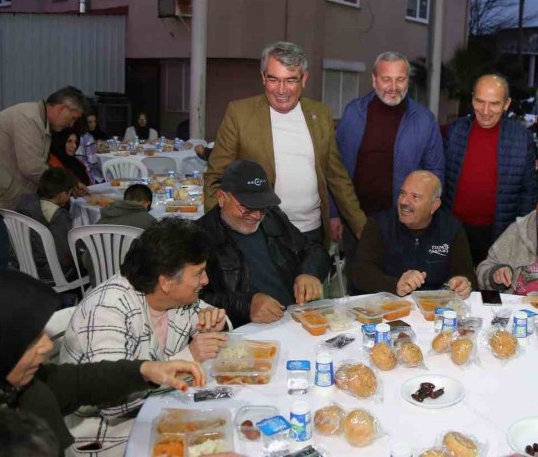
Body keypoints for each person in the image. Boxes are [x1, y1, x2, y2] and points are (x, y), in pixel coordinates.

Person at [0, 268, 206, 455]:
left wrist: (144, 369)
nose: (47, 346)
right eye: (30, 339)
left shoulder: (0, 383)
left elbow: (75, 381)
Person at [61, 219, 228, 454]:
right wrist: (188, 356)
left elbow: (211, 322)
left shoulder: (172, 298)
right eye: (199, 273)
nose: (206, 281)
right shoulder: (107, 312)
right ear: (166, 282)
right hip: (109, 436)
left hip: (161, 410)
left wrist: (216, 323)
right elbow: (113, 403)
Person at [204, 41, 366, 245]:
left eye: (291, 80)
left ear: (304, 79)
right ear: (263, 77)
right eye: (273, 79)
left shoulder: (321, 114)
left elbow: (337, 177)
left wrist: (361, 227)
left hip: (311, 232)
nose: (282, 90)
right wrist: (217, 231)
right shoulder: (239, 114)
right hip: (259, 232)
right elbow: (215, 177)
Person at [333, 51, 444, 262]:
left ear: (407, 81)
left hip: (404, 225)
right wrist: (333, 214)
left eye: (400, 79)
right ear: (374, 80)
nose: (393, 87)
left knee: (400, 288)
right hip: (356, 221)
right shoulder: (353, 113)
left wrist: (423, 218)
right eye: (386, 79)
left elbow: (435, 173)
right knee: (359, 287)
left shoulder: (424, 120)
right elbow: (335, 169)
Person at [0, 86, 87, 271]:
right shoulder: (28, 119)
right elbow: (31, 166)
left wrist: (70, 183)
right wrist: (65, 185)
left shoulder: (38, 120)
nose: (71, 125)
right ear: (62, 108)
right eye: (73, 118)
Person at [195, 159, 330, 326]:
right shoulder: (199, 236)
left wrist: (310, 272)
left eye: (263, 207)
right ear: (222, 198)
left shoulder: (272, 217)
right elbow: (192, 300)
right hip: (244, 332)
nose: (257, 216)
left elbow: (313, 249)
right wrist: (245, 305)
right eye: (247, 208)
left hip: (294, 318)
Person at [444, 74, 537, 266]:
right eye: (480, 101)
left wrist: (520, 236)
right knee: (453, 288)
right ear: (472, 99)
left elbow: (528, 192)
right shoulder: (455, 131)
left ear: (506, 104)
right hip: (454, 230)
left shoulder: (522, 138)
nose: (485, 111)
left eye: (494, 104)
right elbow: (441, 179)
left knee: (490, 292)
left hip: (500, 234)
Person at [352, 171, 475, 297]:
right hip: (389, 303)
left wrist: (462, 283)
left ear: (434, 205)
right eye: (402, 193)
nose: (404, 202)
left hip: (436, 306)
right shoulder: (379, 224)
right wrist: (395, 285)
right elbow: (360, 274)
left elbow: (466, 274)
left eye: (415, 197)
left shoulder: (451, 228)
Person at [14, 168, 77, 284]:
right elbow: (65, 254)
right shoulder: (58, 217)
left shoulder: (26, 206)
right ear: (63, 194)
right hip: (52, 273)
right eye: (70, 193)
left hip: (24, 267)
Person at [77, 113, 106, 184]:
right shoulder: (88, 138)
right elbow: (92, 162)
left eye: (95, 121)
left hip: (75, 172)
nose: (93, 124)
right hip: (87, 176)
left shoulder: (74, 135)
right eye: (90, 122)